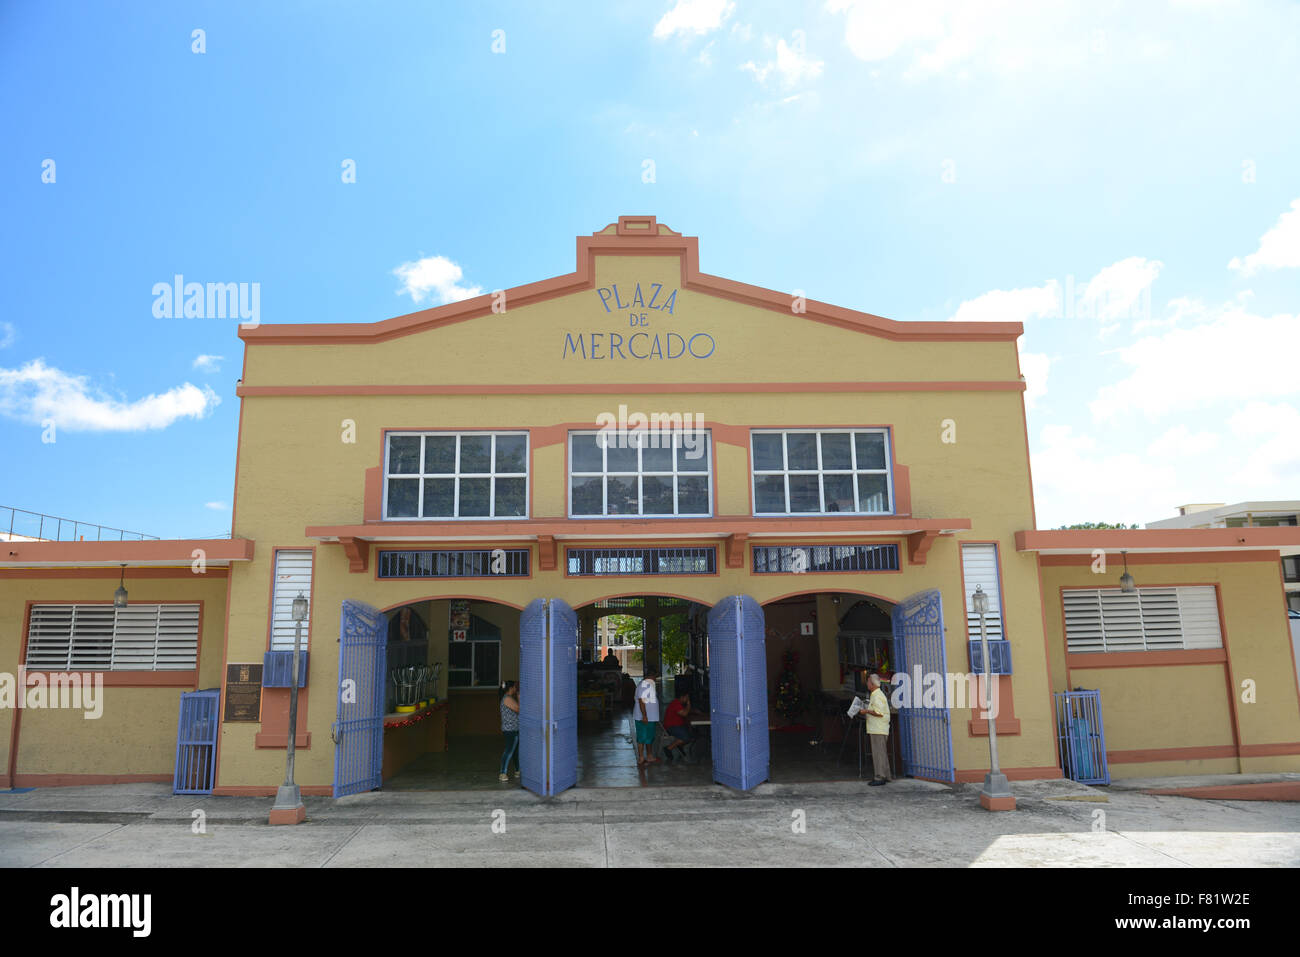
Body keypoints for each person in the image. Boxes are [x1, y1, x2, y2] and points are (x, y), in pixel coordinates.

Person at [864, 673, 893, 786]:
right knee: (882, 753)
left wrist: (866, 711)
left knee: (878, 754)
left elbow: (879, 713)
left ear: (872, 683)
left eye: (868, 682)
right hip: (877, 728)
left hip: (878, 729)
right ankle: (885, 775)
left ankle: (879, 777)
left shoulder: (877, 695)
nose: (867, 684)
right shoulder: (875, 694)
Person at [634, 669, 660, 766]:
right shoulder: (643, 685)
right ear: (651, 676)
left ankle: (649, 756)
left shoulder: (650, 684)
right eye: (655, 677)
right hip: (644, 717)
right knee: (642, 738)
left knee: (649, 737)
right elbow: (641, 701)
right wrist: (644, 716)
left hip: (651, 717)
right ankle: (641, 757)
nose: (655, 679)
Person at [662, 689, 694, 763]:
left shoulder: (679, 704)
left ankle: (679, 745)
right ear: (682, 697)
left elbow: (684, 711)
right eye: (687, 697)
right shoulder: (676, 704)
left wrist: (694, 711)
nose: (688, 699)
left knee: (692, 735)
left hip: (678, 726)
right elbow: (684, 714)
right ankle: (669, 748)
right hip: (671, 727)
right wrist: (689, 704)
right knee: (686, 737)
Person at [499, 681, 520, 782]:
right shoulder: (507, 698)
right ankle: (503, 772)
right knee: (509, 751)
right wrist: (519, 696)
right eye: (515, 688)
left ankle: (518, 770)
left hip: (514, 729)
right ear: (511, 688)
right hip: (510, 730)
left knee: (515, 752)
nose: (516, 689)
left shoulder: (510, 698)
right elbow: (518, 709)